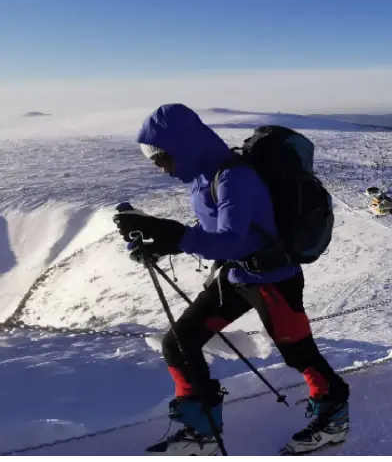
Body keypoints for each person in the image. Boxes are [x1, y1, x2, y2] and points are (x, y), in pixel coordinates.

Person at [112, 104, 350, 457]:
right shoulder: (202, 178)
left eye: (165, 160)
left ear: (184, 146)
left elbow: (230, 240)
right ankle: (201, 431)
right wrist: (161, 244)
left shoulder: (234, 177)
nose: (165, 170)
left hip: (273, 279)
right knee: (179, 344)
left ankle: (333, 419)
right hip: (235, 276)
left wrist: (172, 235)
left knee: (299, 354)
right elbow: (213, 236)